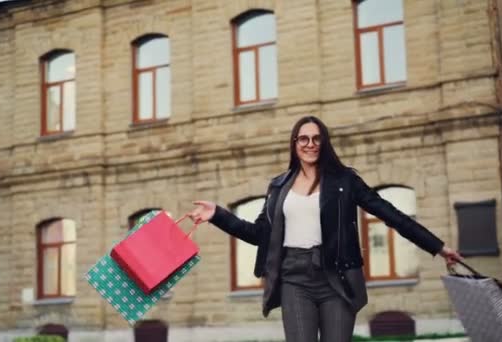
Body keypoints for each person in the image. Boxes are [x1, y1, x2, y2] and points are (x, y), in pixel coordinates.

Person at [188, 116, 462, 342]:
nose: (310, 144)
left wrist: (438, 247)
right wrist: (217, 215)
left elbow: (391, 215)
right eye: (303, 138)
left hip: (337, 276)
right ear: (295, 144)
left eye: (316, 138)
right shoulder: (279, 186)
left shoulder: (345, 181)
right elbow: (259, 234)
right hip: (294, 278)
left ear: (324, 142)